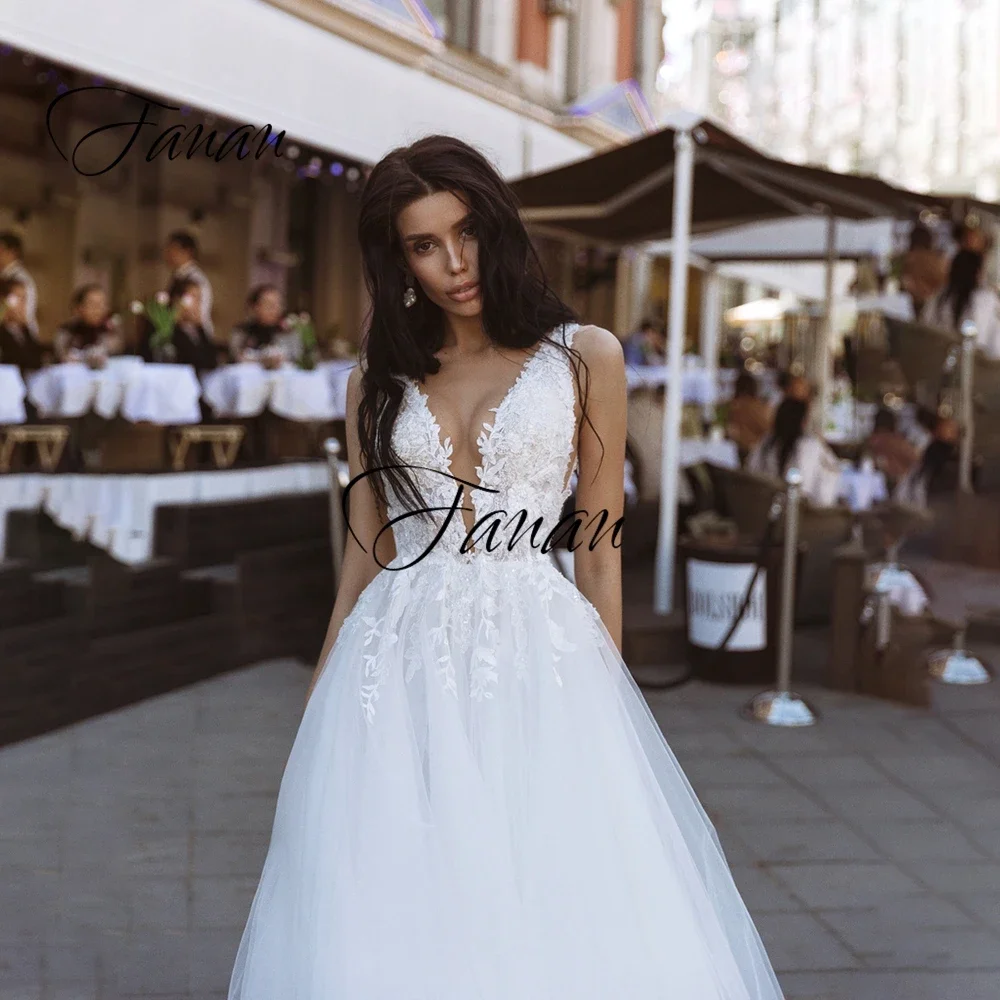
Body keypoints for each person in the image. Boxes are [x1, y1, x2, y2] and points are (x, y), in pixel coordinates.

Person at [228, 134, 784, 999]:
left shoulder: (584, 354)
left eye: (468, 232)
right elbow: (365, 559)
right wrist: (317, 710)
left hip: (536, 652)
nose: (455, 263)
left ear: (497, 226)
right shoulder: (371, 384)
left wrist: (607, 705)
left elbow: (598, 549)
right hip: (392, 668)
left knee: (549, 893)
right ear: (399, 260)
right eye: (425, 244)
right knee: (393, 901)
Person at [747, 396, 842, 507]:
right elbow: (813, 490)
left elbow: (751, 472)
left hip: (766, 509)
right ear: (803, 421)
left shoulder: (766, 443)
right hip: (801, 515)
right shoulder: (808, 446)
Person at [921, 249, 1000, 358]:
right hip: (976, 367)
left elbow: (925, 330)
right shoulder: (985, 300)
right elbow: (995, 346)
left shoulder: (938, 298)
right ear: (977, 273)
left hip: (938, 363)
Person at [139, 278, 221, 372]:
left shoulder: (199, 329)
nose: (199, 304)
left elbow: (211, 361)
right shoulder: (161, 328)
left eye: (200, 298)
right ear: (177, 299)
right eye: (194, 297)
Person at [228, 284, 301, 363]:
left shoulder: (288, 332)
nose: (275, 309)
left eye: (278, 305)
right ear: (255, 307)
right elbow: (236, 357)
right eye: (269, 305)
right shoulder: (241, 332)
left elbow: (296, 358)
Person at [52, 284, 124, 362]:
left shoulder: (111, 332)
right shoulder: (66, 333)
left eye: (102, 304)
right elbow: (62, 357)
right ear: (79, 308)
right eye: (93, 304)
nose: (98, 309)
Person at [163, 230, 214, 334]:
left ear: (187, 251)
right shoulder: (177, 276)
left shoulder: (196, 279)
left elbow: (196, 314)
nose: (168, 253)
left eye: (173, 249)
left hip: (192, 334)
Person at [864, 406, 920, 489]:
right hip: (900, 483)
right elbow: (916, 461)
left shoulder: (871, 441)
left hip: (877, 484)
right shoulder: (897, 441)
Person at [0, 276, 46, 372]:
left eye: (24, 299)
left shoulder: (24, 329)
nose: (23, 305)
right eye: (18, 298)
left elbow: (37, 358)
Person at [901, 223, 947, 317]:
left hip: (913, 301)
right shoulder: (937, 259)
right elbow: (942, 282)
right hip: (931, 303)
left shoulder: (909, 258)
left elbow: (904, 281)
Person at [725, 371, 772, 461]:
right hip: (755, 451)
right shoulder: (758, 406)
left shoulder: (734, 406)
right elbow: (767, 428)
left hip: (740, 449)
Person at [0, 231, 38, 338]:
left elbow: (12, 308)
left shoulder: (20, 279)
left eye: (1, 250)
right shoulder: (3, 275)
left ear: (13, 252)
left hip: (17, 334)